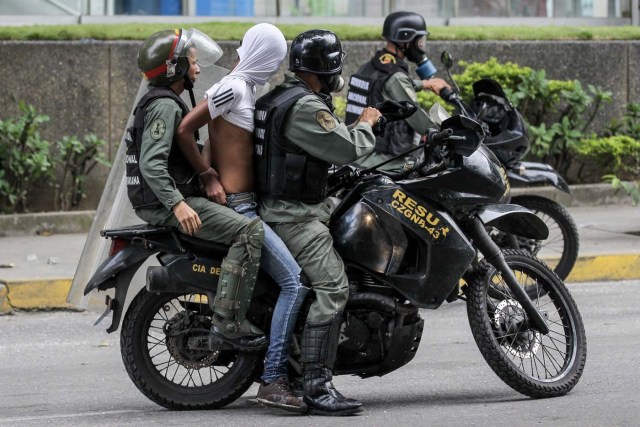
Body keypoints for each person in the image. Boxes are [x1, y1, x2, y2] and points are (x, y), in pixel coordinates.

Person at [175, 23, 309, 413]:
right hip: (238, 206)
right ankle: (272, 380)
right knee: (294, 282)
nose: (276, 65)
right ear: (263, 55)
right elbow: (186, 129)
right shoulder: (232, 87)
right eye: (274, 57)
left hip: (249, 201)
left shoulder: (249, 88)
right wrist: (207, 175)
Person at [254, 29, 381, 416]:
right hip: (294, 215)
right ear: (325, 69)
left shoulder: (275, 97)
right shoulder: (307, 108)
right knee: (332, 285)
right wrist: (366, 124)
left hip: (296, 204)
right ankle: (317, 384)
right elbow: (349, 148)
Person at [127, 28, 267, 352]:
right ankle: (228, 322)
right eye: (192, 63)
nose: (198, 68)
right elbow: (151, 164)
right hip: (165, 202)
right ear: (175, 68)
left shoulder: (165, 101)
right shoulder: (164, 106)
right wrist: (177, 204)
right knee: (248, 232)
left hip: (171, 195)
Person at [345, 11, 450, 171]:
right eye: (419, 41)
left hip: (357, 151)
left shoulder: (370, 66)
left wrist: (425, 83)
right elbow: (421, 123)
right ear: (405, 41)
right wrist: (450, 133)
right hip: (382, 159)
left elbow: (385, 87)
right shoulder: (395, 76)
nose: (421, 46)